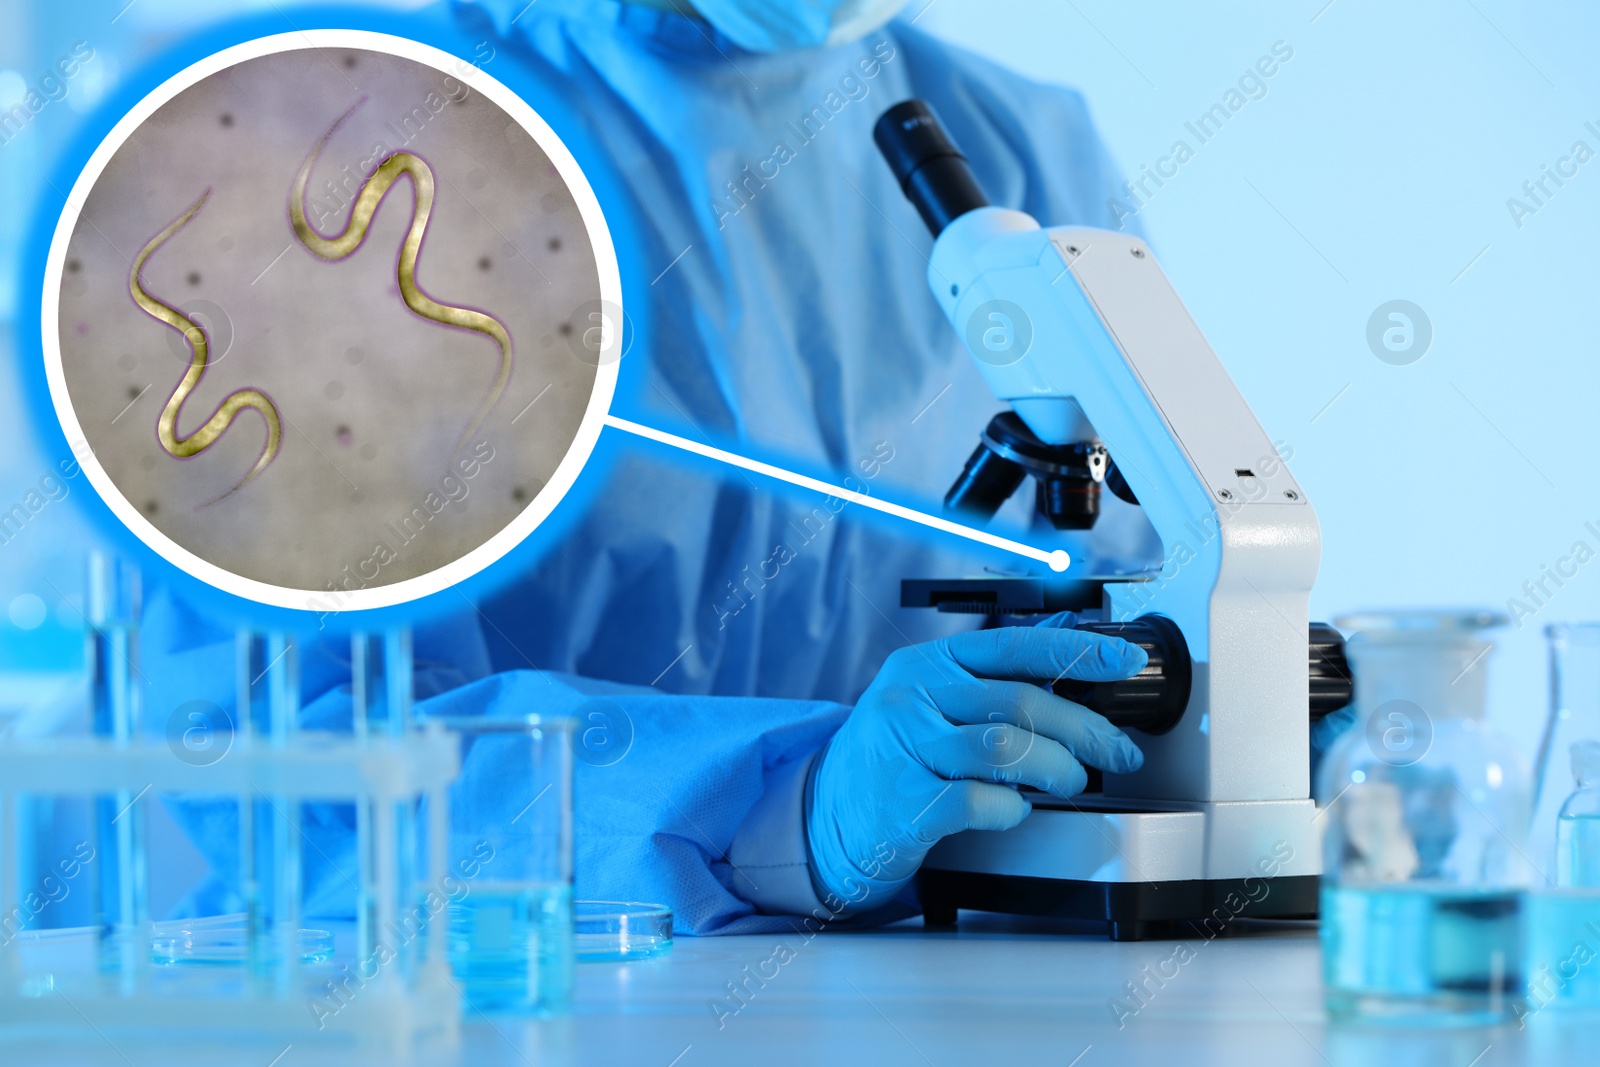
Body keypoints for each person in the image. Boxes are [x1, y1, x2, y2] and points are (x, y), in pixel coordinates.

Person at [146, 0, 1232, 934]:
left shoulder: (1022, 146)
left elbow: (1123, 584)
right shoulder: (355, 163)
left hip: (917, 988)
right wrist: (779, 807)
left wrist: (1225, 719)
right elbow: (296, 762)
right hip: (484, 989)